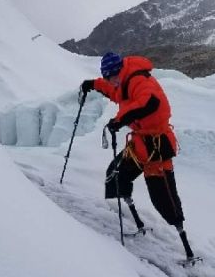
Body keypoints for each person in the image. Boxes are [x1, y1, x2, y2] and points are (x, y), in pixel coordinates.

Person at [81, 51, 195, 261]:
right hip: (140, 144)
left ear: (119, 71)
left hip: (157, 145)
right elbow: (113, 91)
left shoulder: (139, 80)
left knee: (164, 197)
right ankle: (139, 223)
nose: (111, 81)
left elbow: (149, 102)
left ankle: (187, 249)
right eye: (107, 77)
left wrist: (119, 119)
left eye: (112, 76)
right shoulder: (120, 84)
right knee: (117, 175)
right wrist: (93, 84)